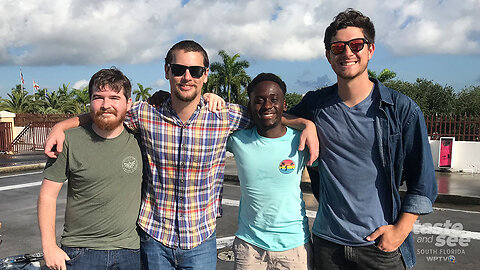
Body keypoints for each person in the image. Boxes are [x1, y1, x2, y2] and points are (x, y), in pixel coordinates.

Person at [44, 40, 318, 270]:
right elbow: (107, 108)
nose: (187, 76)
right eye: (179, 69)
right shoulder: (145, 114)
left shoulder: (225, 116)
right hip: (154, 238)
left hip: (200, 239)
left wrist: (306, 123)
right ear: (167, 71)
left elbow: (268, 114)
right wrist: (62, 124)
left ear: (205, 75)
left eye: (195, 70)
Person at [288, 9, 438, 269]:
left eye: (356, 45)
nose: (347, 53)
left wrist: (398, 233)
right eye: (338, 47)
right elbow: (273, 117)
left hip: (380, 247)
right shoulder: (316, 104)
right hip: (327, 244)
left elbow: (422, 182)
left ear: (370, 49)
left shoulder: (401, 110)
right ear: (328, 55)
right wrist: (305, 122)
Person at [38, 68, 143, 270]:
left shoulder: (140, 139)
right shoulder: (68, 141)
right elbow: (47, 196)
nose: (106, 105)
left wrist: (208, 97)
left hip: (130, 250)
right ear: (90, 101)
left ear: (129, 103)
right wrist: (49, 246)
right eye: (98, 98)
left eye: (114, 97)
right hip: (80, 252)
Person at [227, 73, 313, 269]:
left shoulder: (301, 140)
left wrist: (310, 125)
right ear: (249, 106)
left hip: (295, 247)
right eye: (259, 100)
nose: (267, 106)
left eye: (274, 100)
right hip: (249, 248)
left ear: (284, 105)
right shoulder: (237, 140)